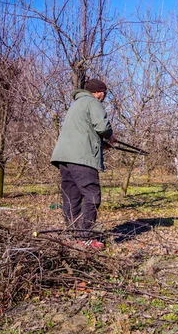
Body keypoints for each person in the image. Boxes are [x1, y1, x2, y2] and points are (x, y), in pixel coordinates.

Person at [51, 79, 116, 249]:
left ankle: (74, 236)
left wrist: (100, 144)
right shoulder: (92, 102)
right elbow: (102, 126)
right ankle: (85, 236)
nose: (104, 97)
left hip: (64, 158)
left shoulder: (76, 105)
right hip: (81, 158)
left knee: (71, 196)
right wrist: (110, 136)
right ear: (98, 92)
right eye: (104, 93)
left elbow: (82, 133)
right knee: (92, 195)